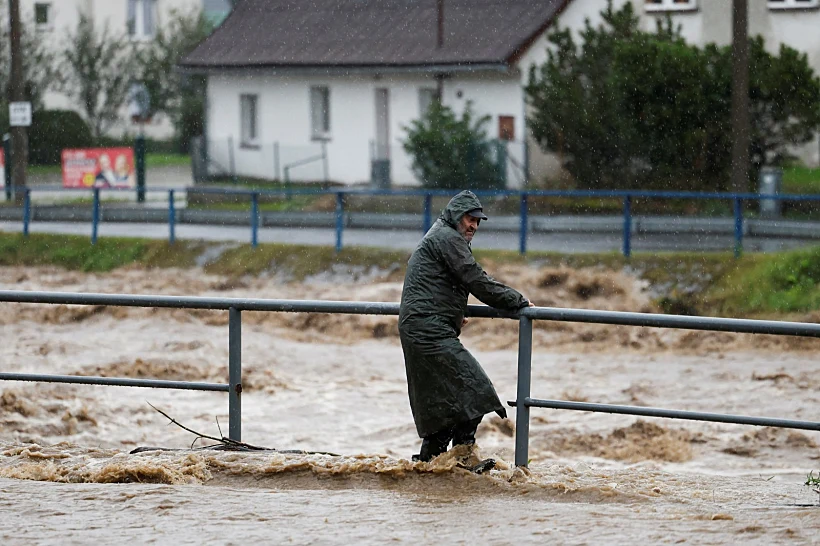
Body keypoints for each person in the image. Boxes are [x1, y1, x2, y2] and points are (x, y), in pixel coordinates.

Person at [399, 190, 533, 462]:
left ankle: (430, 466)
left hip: (425, 326)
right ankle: (462, 459)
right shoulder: (447, 237)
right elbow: (475, 279)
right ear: (455, 217)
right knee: (475, 391)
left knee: (444, 403)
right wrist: (518, 301)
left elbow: (440, 282)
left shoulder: (443, 235)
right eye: (469, 219)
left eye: (477, 221)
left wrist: (454, 312)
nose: (473, 225)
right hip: (428, 329)